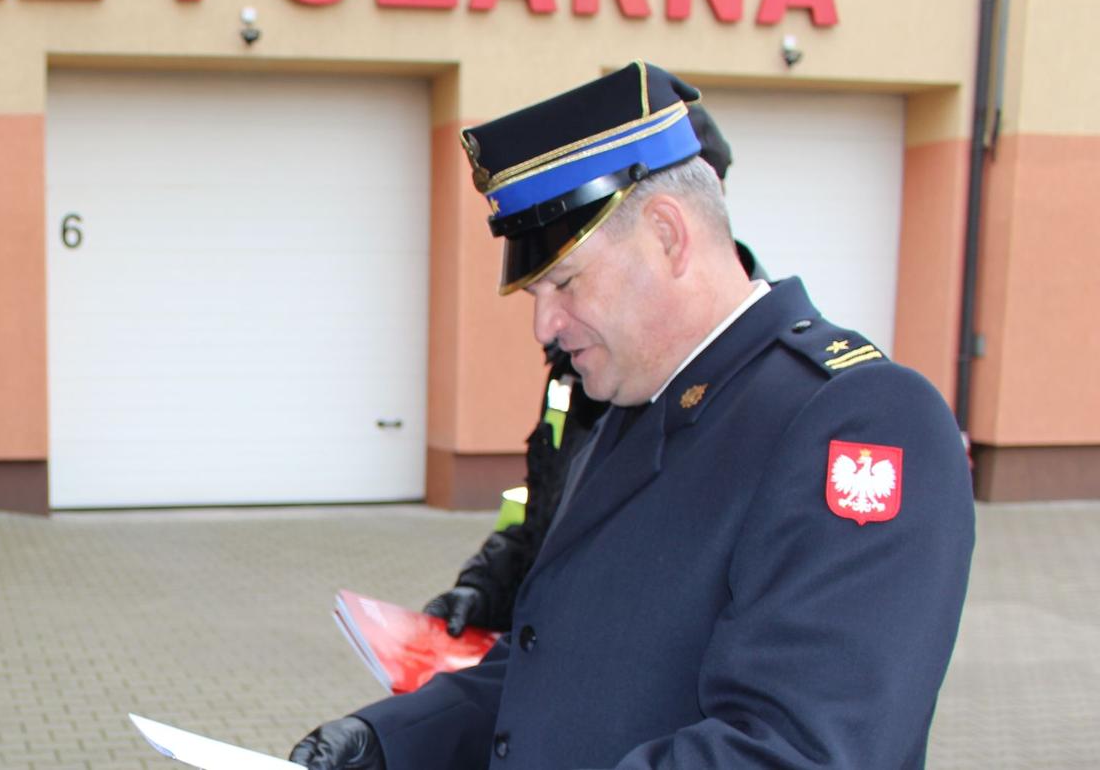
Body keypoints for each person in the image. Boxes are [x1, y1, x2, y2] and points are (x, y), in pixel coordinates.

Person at [291, 61, 975, 769]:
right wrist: (388, 742)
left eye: (563, 282)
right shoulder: (633, 405)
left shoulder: (856, 421)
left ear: (669, 236)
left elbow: (799, 749)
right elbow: (552, 665)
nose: (545, 327)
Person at [423, 104, 760, 636]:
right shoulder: (576, 364)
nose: (545, 325)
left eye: (568, 280)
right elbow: (536, 503)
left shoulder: (763, 390)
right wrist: (485, 586)